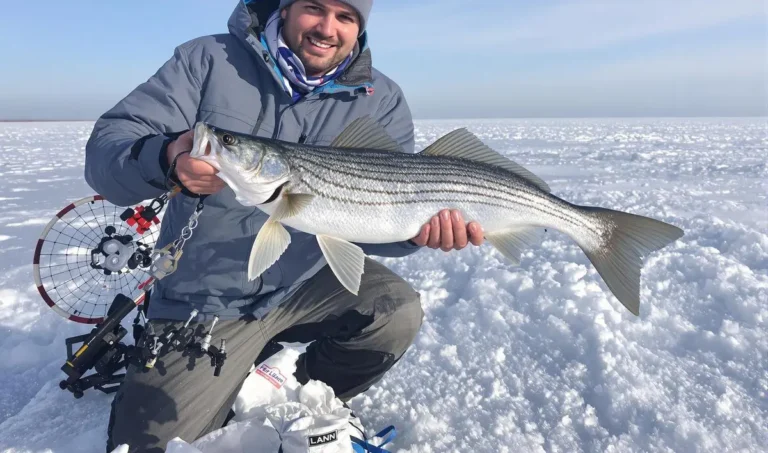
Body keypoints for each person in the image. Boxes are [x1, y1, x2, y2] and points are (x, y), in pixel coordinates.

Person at [85, 0, 484, 451]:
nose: (327, 27)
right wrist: (165, 157)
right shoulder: (209, 60)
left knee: (395, 310)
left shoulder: (382, 97)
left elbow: (380, 214)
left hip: (307, 279)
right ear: (287, 7)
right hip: (205, 294)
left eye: (346, 17)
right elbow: (107, 152)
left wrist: (413, 233)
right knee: (150, 446)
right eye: (315, 7)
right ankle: (224, 373)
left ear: (359, 28)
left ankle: (299, 385)